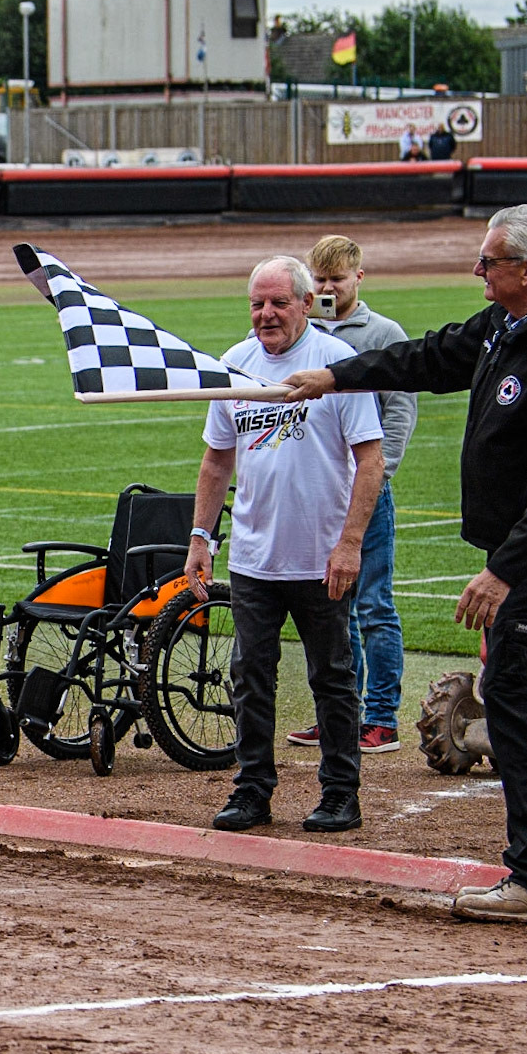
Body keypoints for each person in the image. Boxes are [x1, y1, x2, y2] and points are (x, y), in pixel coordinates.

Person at [283, 205, 527, 925]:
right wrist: (334, 376)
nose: (478, 270)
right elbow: (427, 358)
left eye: (490, 260)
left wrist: (503, 571)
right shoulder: (504, 325)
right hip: (523, 552)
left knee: (517, 700)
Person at [186, 255, 385, 836]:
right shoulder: (235, 365)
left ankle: (340, 794)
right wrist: (202, 536)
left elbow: (370, 462)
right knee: (249, 675)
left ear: (304, 303)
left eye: (277, 302)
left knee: (332, 675)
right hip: (254, 556)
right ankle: (251, 791)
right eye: (257, 303)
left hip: (322, 556)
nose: (266, 314)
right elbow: (217, 457)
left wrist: (350, 544)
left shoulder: (335, 364)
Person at [286, 235, 416, 755]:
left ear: (358, 278)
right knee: (328, 607)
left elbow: (401, 405)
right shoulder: (301, 330)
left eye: (335, 280)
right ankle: (339, 711)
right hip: (319, 489)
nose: (326, 289)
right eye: (318, 281)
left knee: (374, 604)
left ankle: (381, 717)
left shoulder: (382, 333)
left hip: (365, 488)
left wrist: (383, 470)